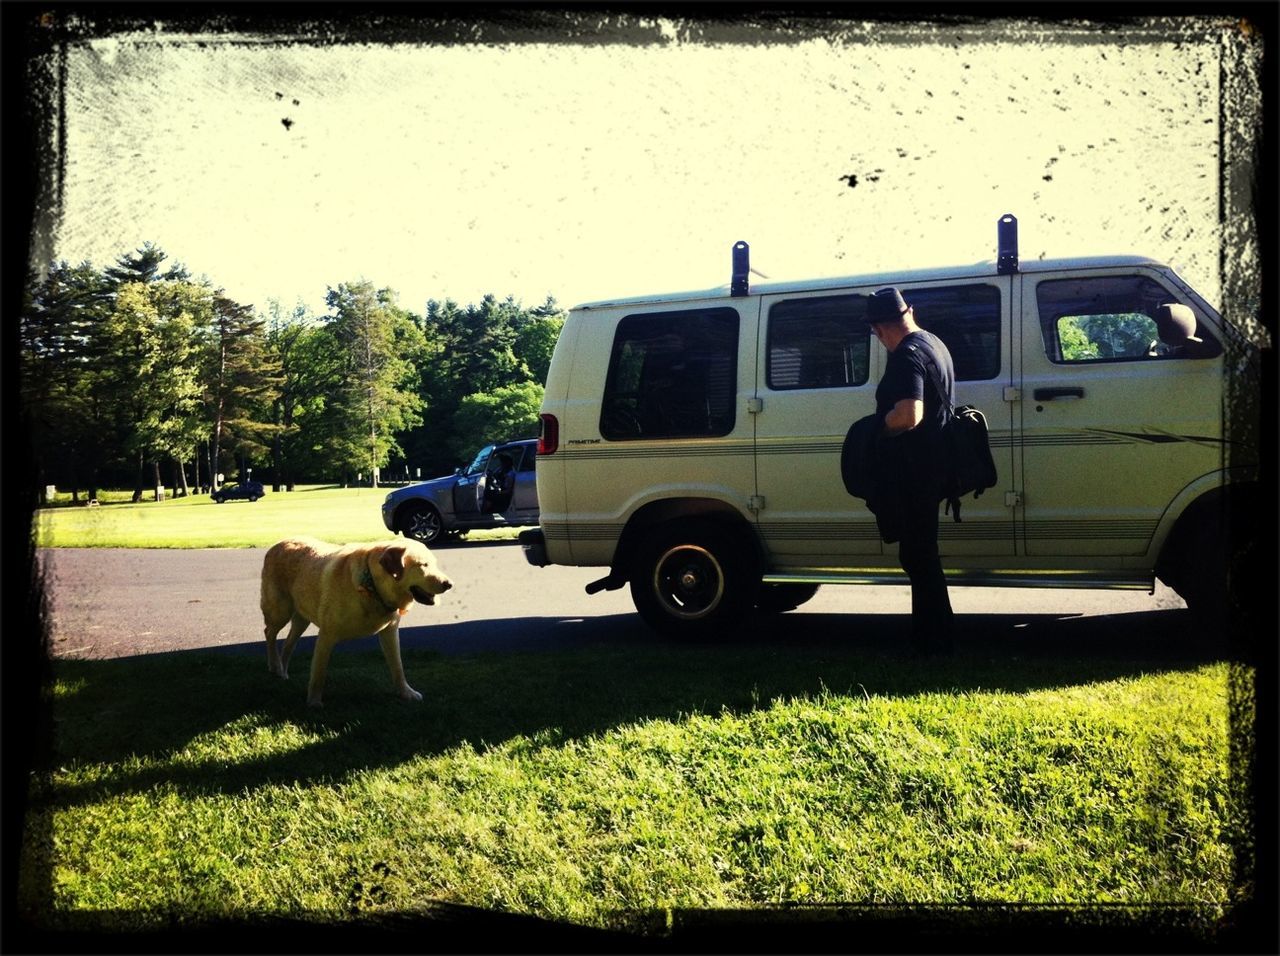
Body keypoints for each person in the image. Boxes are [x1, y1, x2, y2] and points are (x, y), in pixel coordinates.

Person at [865, 286, 956, 654]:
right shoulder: (934, 343)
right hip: (935, 464)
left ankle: (934, 642)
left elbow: (908, 415)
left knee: (919, 555)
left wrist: (877, 429)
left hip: (916, 469)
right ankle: (935, 634)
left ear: (878, 329)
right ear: (910, 311)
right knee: (921, 554)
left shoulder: (905, 355)